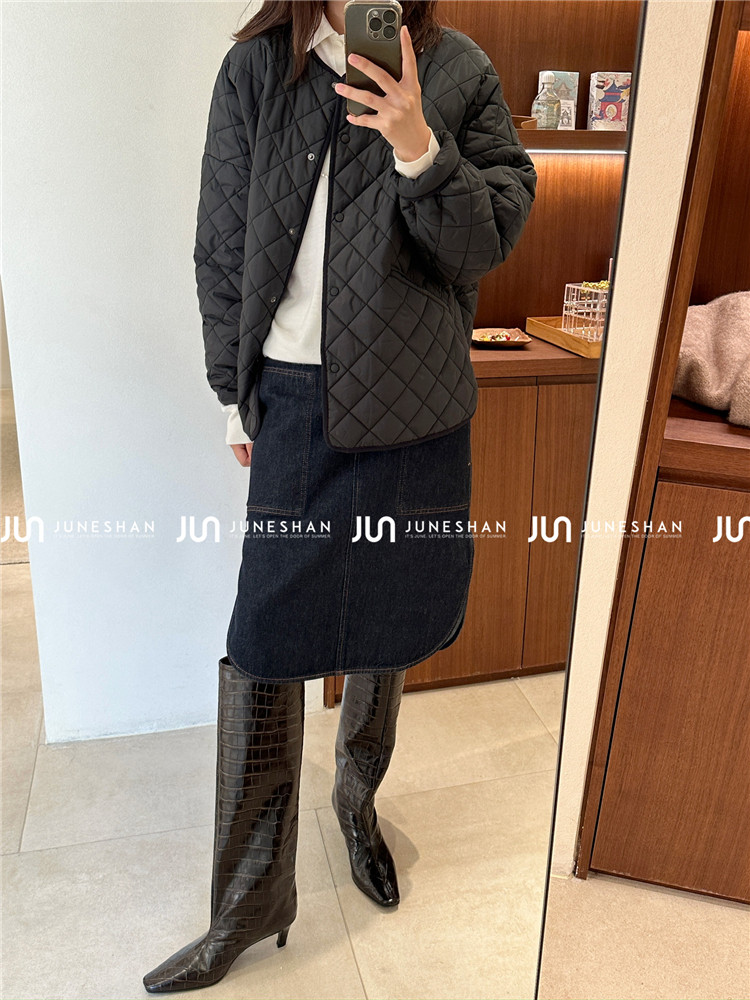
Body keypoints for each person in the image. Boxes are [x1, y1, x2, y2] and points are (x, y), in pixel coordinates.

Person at [143, 0, 536, 992]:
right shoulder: (255, 72)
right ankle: (250, 898)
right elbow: (220, 246)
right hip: (292, 401)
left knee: (387, 622)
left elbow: (487, 240)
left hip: (414, 409)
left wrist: (419, 147)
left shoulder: (457, 69)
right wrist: (232, 396)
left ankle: (356, 802)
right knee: (264, 642)